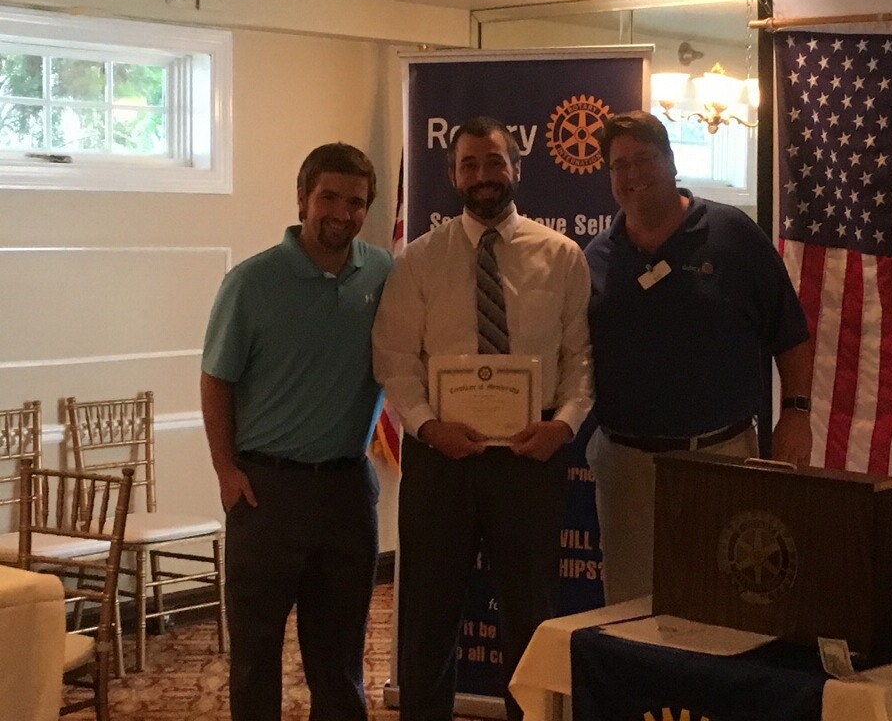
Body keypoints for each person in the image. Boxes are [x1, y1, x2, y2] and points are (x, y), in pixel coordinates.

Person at [372, 116, 593, 721]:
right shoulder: (420, 260)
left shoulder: (562, 256)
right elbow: (394, 359)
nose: (483, 175)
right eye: (469, 164)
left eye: (495, 162)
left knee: (529, 615)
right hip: (439, 456)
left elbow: (580, 359)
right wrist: (427, 426)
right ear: (451, 175)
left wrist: (563, 425)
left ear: (516, 168)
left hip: (530, 455)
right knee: (428, 616)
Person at [585, 110, 813, 605]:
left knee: (725, 604)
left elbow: (791, 331)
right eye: (619, 165)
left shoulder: (732, 235)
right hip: (626, 469)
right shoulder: (595, 259)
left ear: (671, 161)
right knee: (630, 612)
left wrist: (796, 412)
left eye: (644, 159)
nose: (633, 174)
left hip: (721, 456)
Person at [200, 142, 393, 721]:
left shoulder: (383, 273)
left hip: (346, 492)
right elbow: (216, 380)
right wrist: (226, 470)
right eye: (329, 197)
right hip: (267, 492)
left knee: (339, 657)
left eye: (356, 202)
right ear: (303, 199)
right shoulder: (251, 282)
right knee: (256, 655)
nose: (342, 212)